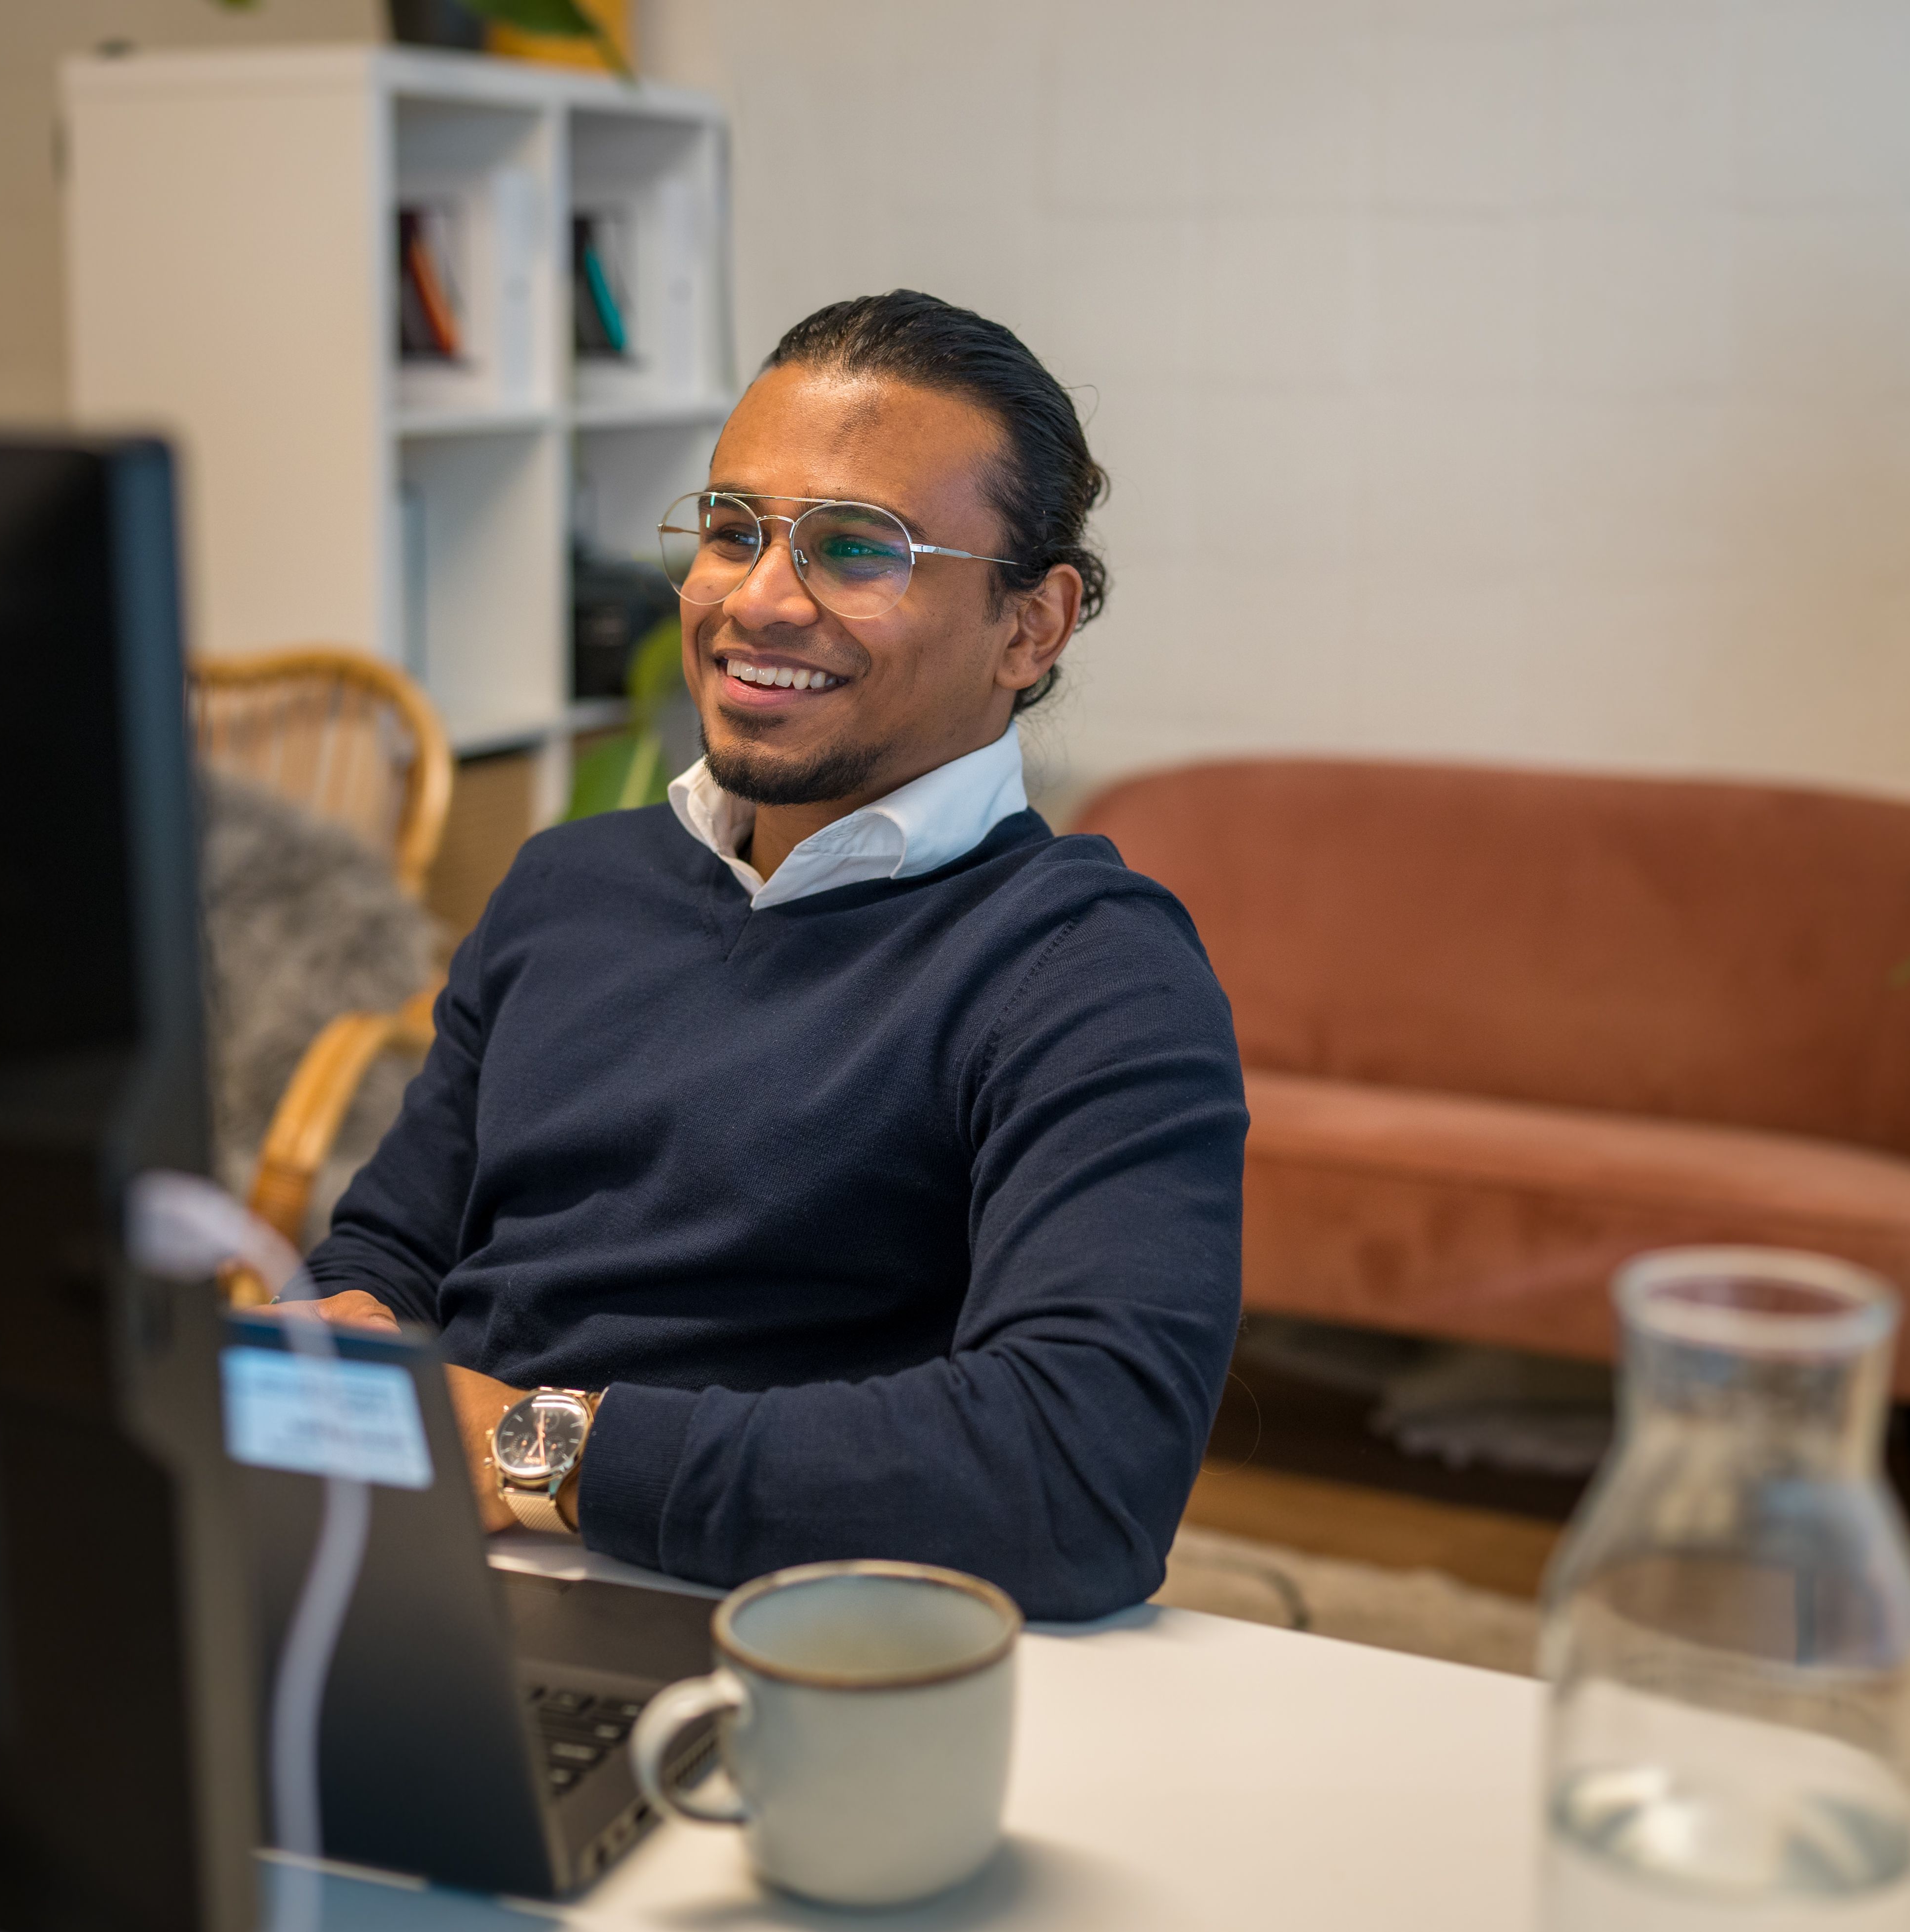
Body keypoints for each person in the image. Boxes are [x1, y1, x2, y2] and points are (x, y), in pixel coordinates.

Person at [293, 291, 1245, 1621]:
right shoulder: (569, 884)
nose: (760, 599)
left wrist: (536, 1451)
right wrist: (340, 1343)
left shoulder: (1089, 972)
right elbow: (387, 1249)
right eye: (733, 531)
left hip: (771, 1631)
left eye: (858, 550)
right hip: (428, 1585)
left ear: (1031, 626)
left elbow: (1080, 1471)